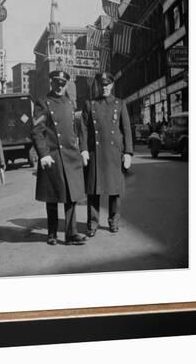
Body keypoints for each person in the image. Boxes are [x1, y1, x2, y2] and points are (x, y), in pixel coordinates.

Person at [31, 70, 87, 246]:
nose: (59, 86)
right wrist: (44, 154)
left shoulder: (70, 103)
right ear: (51, 83)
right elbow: (37, 130)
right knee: (53, 196)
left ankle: (71, 234)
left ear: (66, 85)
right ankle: (52, 233)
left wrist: (83, 149)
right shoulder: (43, 103)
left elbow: (77, 128)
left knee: (72, 196)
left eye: (63, 83)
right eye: (57, 82)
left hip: (70, 155)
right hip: (53, 155)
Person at [79, 72, 133, 236]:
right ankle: (93, 223)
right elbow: (83, 129)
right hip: (95, 153)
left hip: (114, 153)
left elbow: (126, 129)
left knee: (114, 190)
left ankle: (113, 221)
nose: (105, 87)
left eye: (107, 84)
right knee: (93, 190)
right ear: (98, 85)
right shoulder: (90, 104)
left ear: (112, 85)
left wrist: (128, 152)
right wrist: (84, 149)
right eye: (102, 84)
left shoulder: (119, 104)